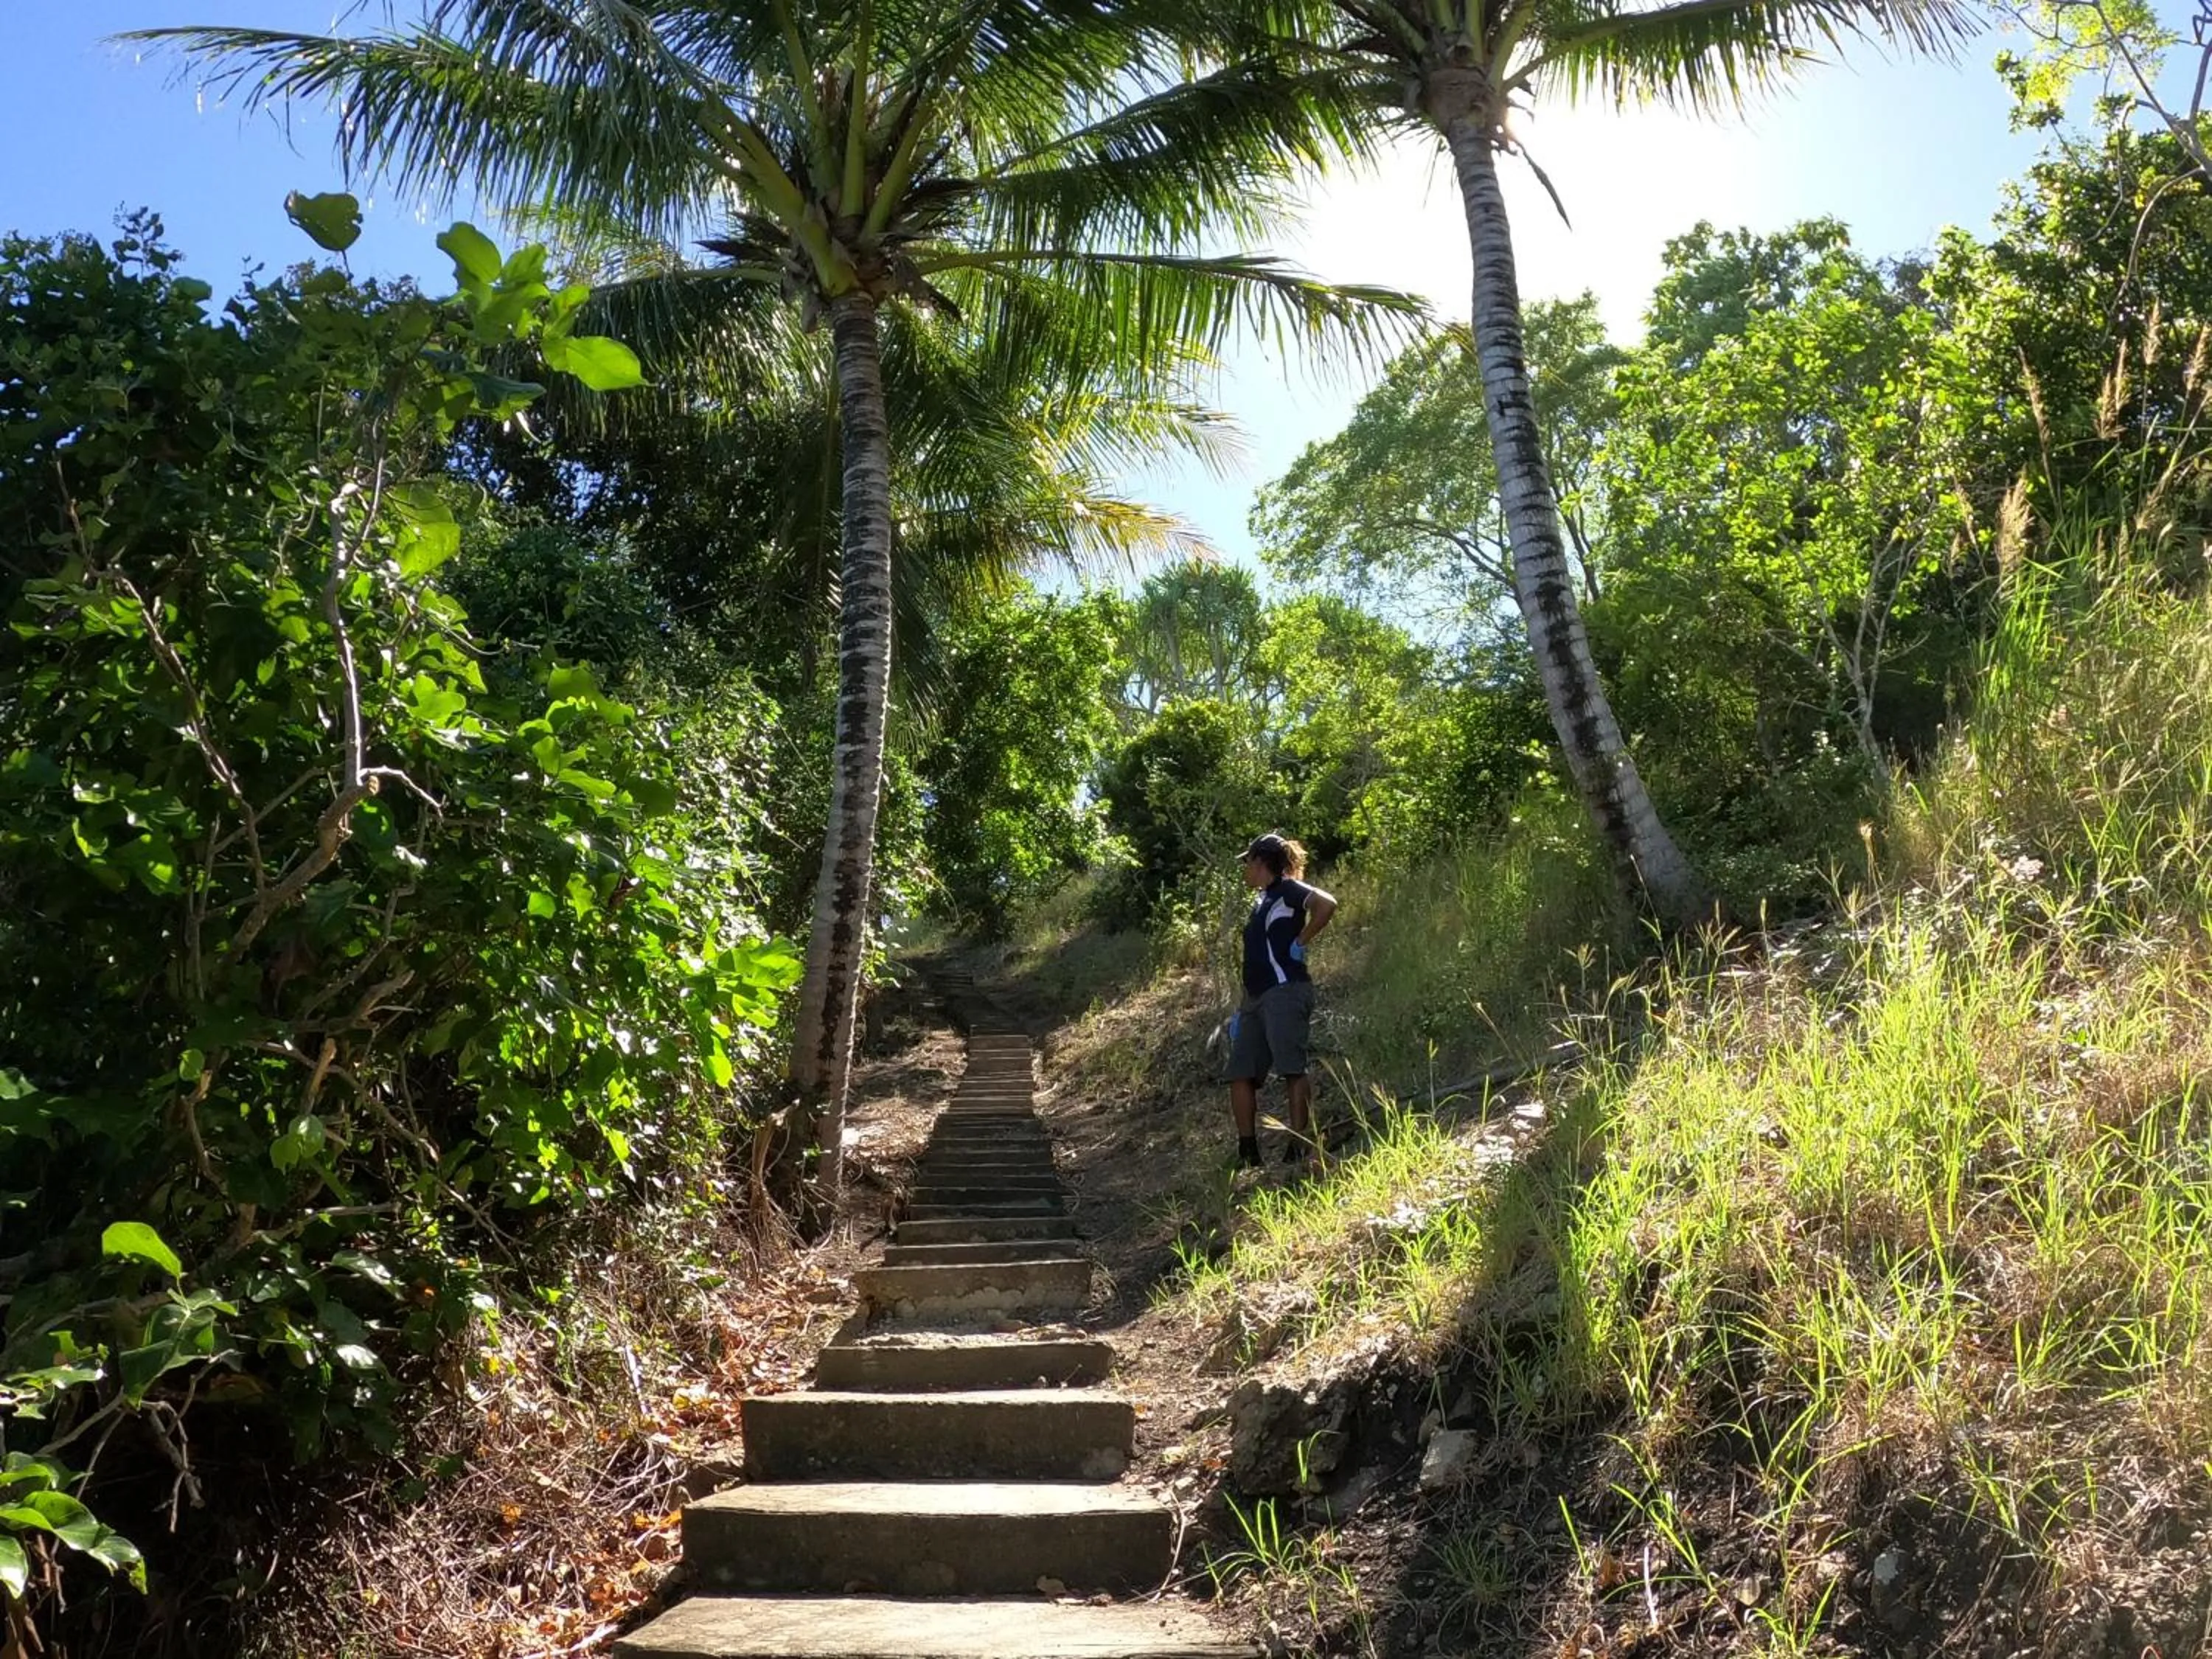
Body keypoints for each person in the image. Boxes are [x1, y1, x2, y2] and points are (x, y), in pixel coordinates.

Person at [1224, 832, 1337, 1167]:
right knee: (1239, 1073)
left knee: (1291, 1068)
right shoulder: (1261, 901)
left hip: (1285, 991)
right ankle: (1248, 1153)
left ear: (1259, 863)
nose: (1244, 870)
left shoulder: (1287, 889)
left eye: (1247, 863)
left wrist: (1301, 940)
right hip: (1256, 1000)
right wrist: (1242, 1010)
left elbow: (1326, 904)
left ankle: (1298, 1144)